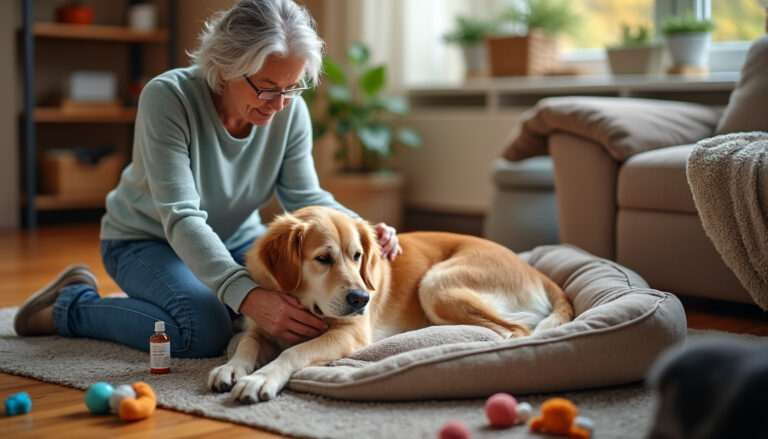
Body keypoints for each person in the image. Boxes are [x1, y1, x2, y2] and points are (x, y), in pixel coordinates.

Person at [13, 0, 402, 358]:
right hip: (145, 240)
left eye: (292, 87)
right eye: (267, 88)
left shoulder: (290, 110)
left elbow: (304, 194)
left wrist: (361, 227)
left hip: (236, 237)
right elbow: (182, 216)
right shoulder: (167, 98)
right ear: (226, 65)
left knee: (298, 311)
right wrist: (245, 296)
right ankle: (70, 305)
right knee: (203, 330)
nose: (280, 103)